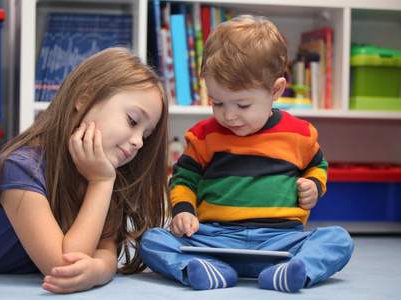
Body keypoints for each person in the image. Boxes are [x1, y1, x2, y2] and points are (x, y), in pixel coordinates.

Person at [139, 15, 354, 293]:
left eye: (242, 104)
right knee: (152, 240)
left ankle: (286, 273)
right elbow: (183, 180)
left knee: (339, 239)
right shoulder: (203, 136)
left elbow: (317, 167)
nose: (229, 115)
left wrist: (314, 185)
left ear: (275, 90)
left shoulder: (299, 134)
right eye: (217, 103)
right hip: (213, 241)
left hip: (279, 242)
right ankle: (208, 271)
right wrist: (183, 210)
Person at [0, 47, 170, 294]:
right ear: (84, 99)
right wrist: (100, 183)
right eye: (132, 121)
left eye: (146, 134)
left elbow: (105, 250)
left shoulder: (104, 173)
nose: (139, 142)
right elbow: (63, 262)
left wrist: (98, 270)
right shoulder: (20, 168)